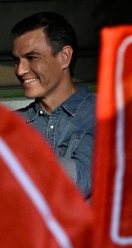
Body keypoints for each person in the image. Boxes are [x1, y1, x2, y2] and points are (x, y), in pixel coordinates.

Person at [11, 12, 96, 200]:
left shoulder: (103, 115)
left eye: (32, 57)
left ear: (64, 57)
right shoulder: (8, 124)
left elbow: (83, 179)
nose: (20, 70)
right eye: (17, 60)